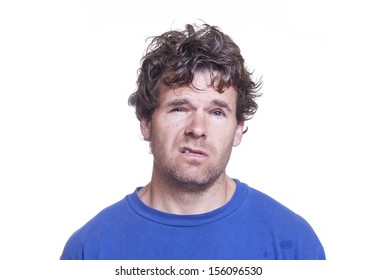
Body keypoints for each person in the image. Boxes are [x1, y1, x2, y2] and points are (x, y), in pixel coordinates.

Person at [60, 23, 325, 260]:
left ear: (238, 130)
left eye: (217, 112)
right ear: (146, 122)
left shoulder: (294, 245)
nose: (198, 129)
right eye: (179, 108)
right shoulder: (90, 250)